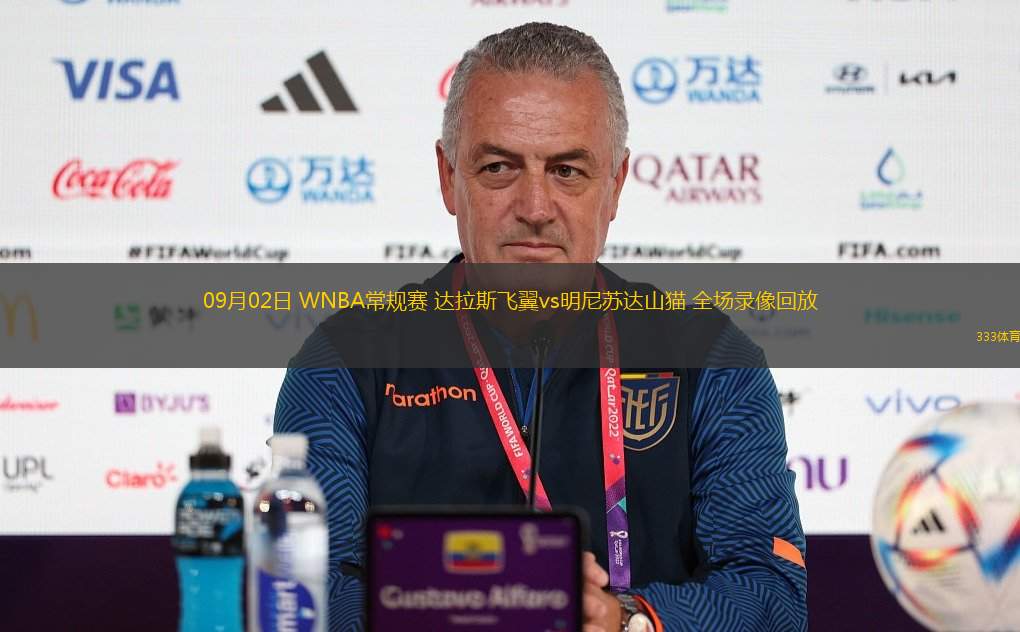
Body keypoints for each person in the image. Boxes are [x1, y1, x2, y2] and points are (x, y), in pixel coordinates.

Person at [274, 22, 807, 632]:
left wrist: (625, 618)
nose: (534, 207)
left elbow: (774, 595)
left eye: (567, 171)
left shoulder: (711, 359)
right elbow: (299, 587)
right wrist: (475, 605)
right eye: (499, 167)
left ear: (615, 186)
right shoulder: (344, 361)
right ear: (449, 178)